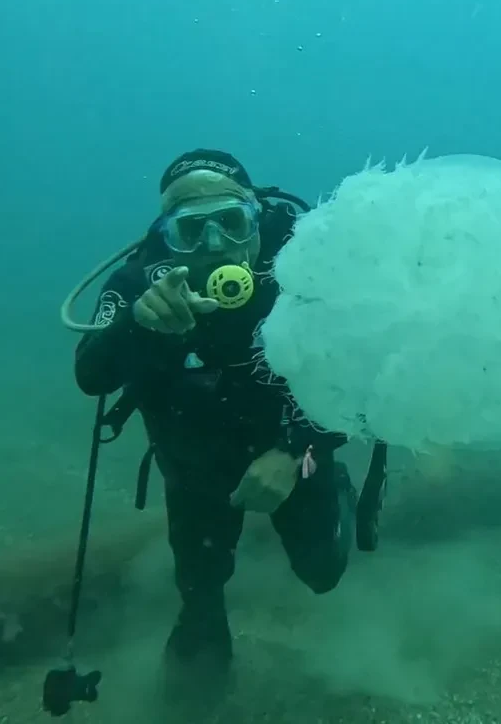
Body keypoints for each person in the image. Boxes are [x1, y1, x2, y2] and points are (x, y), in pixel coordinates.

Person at [73, 149, 357, 678]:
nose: (212, 246)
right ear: (165, 232)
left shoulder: (308, 270)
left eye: (230, 223)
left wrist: (297, 450)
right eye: (191, 229)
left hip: (299, 451)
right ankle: (201, 648)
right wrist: (138, 324)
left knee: (323, 571)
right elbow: (91, 376)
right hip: (193, 463)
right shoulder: (140, 282)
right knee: (199, 591)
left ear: (257, 216)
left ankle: (331, 486)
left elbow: (360, 376)